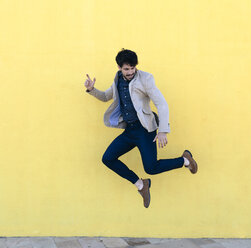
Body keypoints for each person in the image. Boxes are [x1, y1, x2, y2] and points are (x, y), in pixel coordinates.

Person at [84, 49, 198, 208]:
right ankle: (141, 184)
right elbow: (106, 97)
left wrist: (163, 130)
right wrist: (92, 90)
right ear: (119, 67)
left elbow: (161, 103)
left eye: (132, 68)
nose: (130, 72)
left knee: (151, 168)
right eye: (126, 69)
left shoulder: (146, 79)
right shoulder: (117, 79)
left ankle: (185, 160)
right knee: (107, 158)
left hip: (145, 130)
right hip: (130, 130)